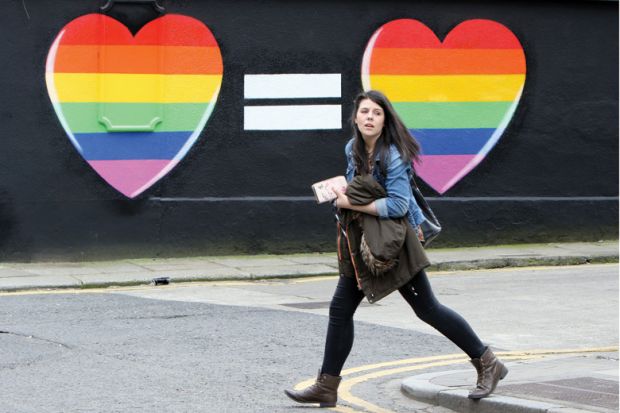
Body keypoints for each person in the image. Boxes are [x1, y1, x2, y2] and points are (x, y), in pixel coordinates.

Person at [284, 90, 508, 408]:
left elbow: (399, 204)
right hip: (363, 242)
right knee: (340, 309)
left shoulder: (393, 154)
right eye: (364, 112)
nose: (369, 118)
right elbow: (356, 190)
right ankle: (326, 385)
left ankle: (488, 362)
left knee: (427, 308)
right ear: (356, 117)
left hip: (395, 243)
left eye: (376, 113)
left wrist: (349, 201)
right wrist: (341, 193)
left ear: (385, 119)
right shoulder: (353, 149)